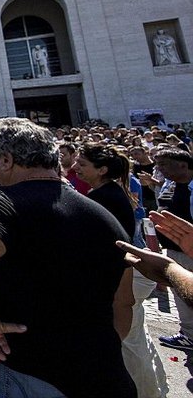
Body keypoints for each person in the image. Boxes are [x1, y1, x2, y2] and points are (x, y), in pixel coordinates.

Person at [0, 118, 136, 398]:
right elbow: (124, 301)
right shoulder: (102, 216)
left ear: (6, 160)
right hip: (102, 373)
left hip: (26, 372)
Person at [76, 143, 168, 397]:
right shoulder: (109, 191)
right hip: (126, 275)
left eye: (82, 164)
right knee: (137, 337)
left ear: (102, 169)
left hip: (123, 277)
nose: (75, 168)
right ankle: (154, 388)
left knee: (128, 344)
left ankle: (144, 392)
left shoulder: (102, 197)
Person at [151, 148, 193, 351]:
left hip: (190, 251)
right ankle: (189, 335)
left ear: (183, 165)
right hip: (174, 251)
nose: (160, 169)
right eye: (158, 164)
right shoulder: (169, 185)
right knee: (181, 294)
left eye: (164, 164)